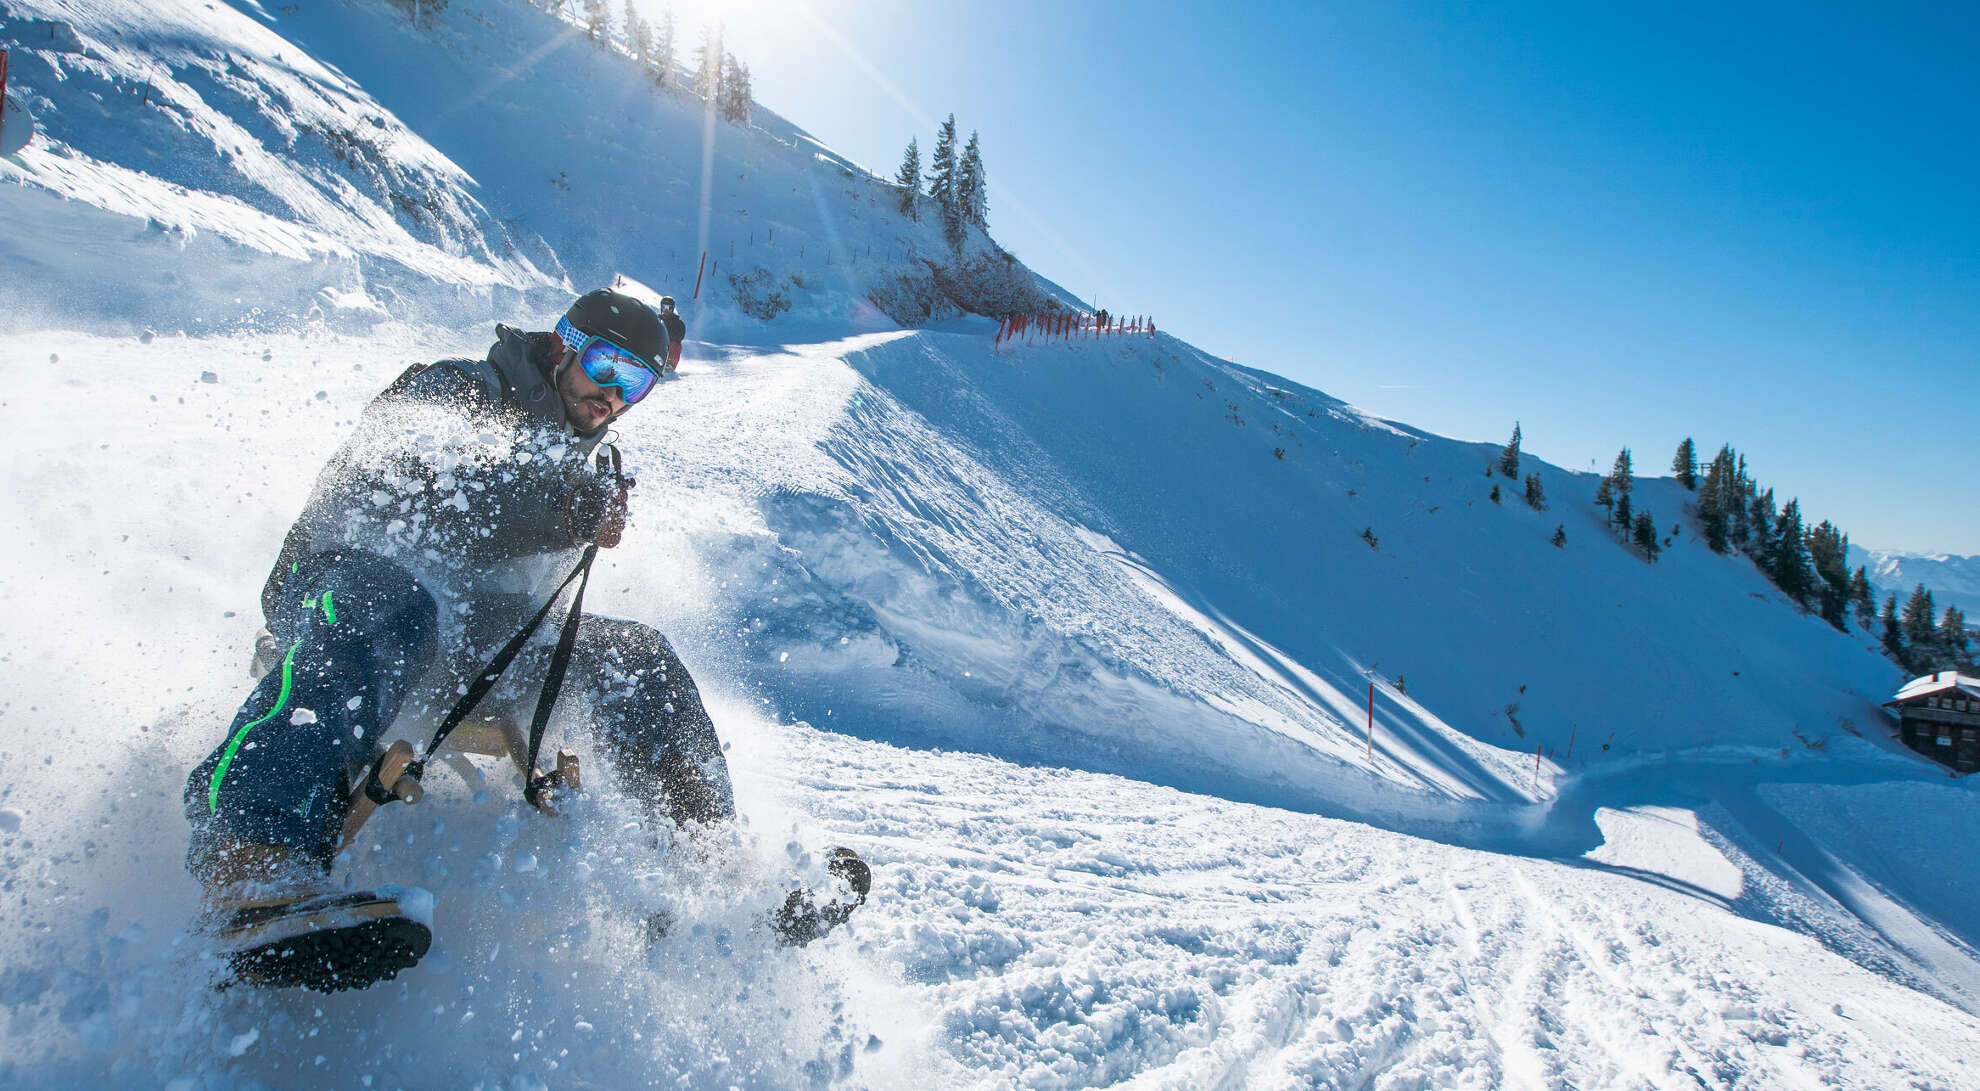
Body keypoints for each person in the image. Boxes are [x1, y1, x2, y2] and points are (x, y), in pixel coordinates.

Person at [184, 289, 866, 991]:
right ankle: (251, 863)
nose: (613, 394)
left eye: (637, 382)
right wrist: (561, 510)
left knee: (639, 661)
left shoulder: (577, 455)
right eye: (605, 365)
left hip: (461, 636)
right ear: (562, 344)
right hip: (338, 581)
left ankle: (715, 870)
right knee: (396, 600)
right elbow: (430, 494)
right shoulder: (452, 391)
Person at [657, 295, 685, 373]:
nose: (666, 310)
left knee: (674, 344)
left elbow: (679, 337)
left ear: (672, 309)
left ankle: (670, 364)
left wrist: (666, 334)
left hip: (669, 350)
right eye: (664, 307)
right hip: (657, 350)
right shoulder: (657, 320)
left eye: (668, 308)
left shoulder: (678, 323)